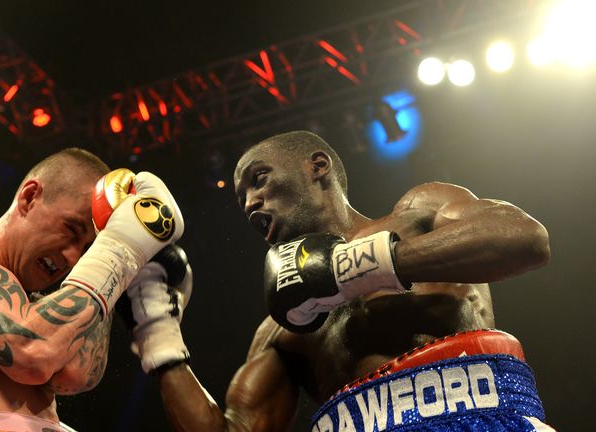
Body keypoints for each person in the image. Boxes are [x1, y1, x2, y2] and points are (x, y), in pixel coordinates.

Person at [127, 131, 552, 431]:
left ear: (318, 166)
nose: (251, 202)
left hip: (485, 418)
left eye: (259, 179)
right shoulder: (284, 327)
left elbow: (524, 239)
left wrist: (353, 266)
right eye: (242, 199)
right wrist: (157, 333)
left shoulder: (419, 212)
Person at [0, 148, 184, 431]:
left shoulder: (40, 313)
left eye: (88, 249)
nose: (72, 257)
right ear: (29, 197)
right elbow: (28, 352)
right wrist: (119, 248)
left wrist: (123, 262)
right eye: (71, 229)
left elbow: (77, 374)